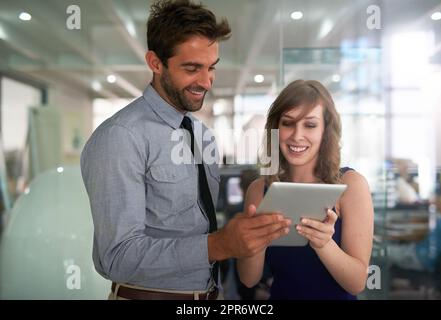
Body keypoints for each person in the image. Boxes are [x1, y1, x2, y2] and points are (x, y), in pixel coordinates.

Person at [80, 0, 290, 300]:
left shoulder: (203, 136)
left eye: (211, 68)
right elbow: (118, 257)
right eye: (192, 68)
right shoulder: (120, 137)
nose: (206, 81)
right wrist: (218, 245)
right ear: (155, 62)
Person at [236, 80, 374, 299]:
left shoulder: (351, 185)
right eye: (288, 123)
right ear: (275, 128)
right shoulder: (259, 190)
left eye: (310, 125)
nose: (297, 135)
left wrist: (324, 245)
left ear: (325, 130)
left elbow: (356, 283)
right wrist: (256, 239)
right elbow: (248, 279)